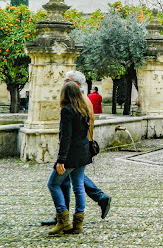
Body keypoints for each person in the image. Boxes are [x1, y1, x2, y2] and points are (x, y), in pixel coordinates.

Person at [41, 71, 111, 227]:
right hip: (82, 149)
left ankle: (64, 217)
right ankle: (70, 217)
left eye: (67, 80)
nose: (64, 82)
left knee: (58, 183)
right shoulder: (82, 102)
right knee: (75, 183)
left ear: (76, 84)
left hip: (74, 151)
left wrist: (62, 158)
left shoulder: (76, 104)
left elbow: (69, 135)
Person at [46, 82, 92, 235]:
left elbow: (66, 137)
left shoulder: (67, 111)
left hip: (72, 154)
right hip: (83, 152)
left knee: (53, 184)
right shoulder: (83, 109)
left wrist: (61, 160)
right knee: (78, 187)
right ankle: (78, 224)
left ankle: (63, 221)